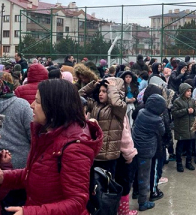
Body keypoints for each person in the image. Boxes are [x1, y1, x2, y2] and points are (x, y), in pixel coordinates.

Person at [0, 79, 103, 214]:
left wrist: (30, 212)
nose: (31, 105)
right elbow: (34, 174)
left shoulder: (74, 148)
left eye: (37, 101)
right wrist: (4, 177)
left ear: (53, 106)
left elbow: (77, 202)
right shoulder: (47, 135)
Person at [79, 78, 127, 177]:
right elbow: (78, 97)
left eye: (104, 91)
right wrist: (92, 85)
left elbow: (116, 103)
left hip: (108, 157)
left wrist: (112, 88)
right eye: (99, 91)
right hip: (94, 154)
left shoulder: (118, 109)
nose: (101, 94)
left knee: (107, 188)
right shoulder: (95, 105)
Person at [132, 94, 166, 211]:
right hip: (146, 151)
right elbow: (162, 131)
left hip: (135, 146)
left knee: (136, 173)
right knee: (144, 176)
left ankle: (135, 193)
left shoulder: (141, 112)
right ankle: (143, 202)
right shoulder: (157, 120)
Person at [171, 83, 196, 172]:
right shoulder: (177, 101)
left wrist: (194, 110)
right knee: (180, 146)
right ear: (183, 92)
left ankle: (188, 162)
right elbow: (175, 113)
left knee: (189, 146)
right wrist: (186, 111)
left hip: (190, 127)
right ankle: (179, 163)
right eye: (187, 91)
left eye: (190, 91)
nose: (189, 93)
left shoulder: (192, 101)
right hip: (181, 128)